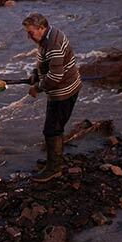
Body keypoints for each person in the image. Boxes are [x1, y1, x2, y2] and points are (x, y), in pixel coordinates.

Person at [23, 13, 82, 182]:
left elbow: (56, 76)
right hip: (62, 89)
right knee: (55, 127)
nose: (29, 36)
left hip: (64, 92)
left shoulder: (53, 44)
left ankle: (54, 169)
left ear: (42, 28)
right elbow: (47, 64)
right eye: (27, 32)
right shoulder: (48, 36)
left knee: (52, 129)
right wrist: (36, 73)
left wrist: (38, 88)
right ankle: (54, 162)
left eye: (31, 32)